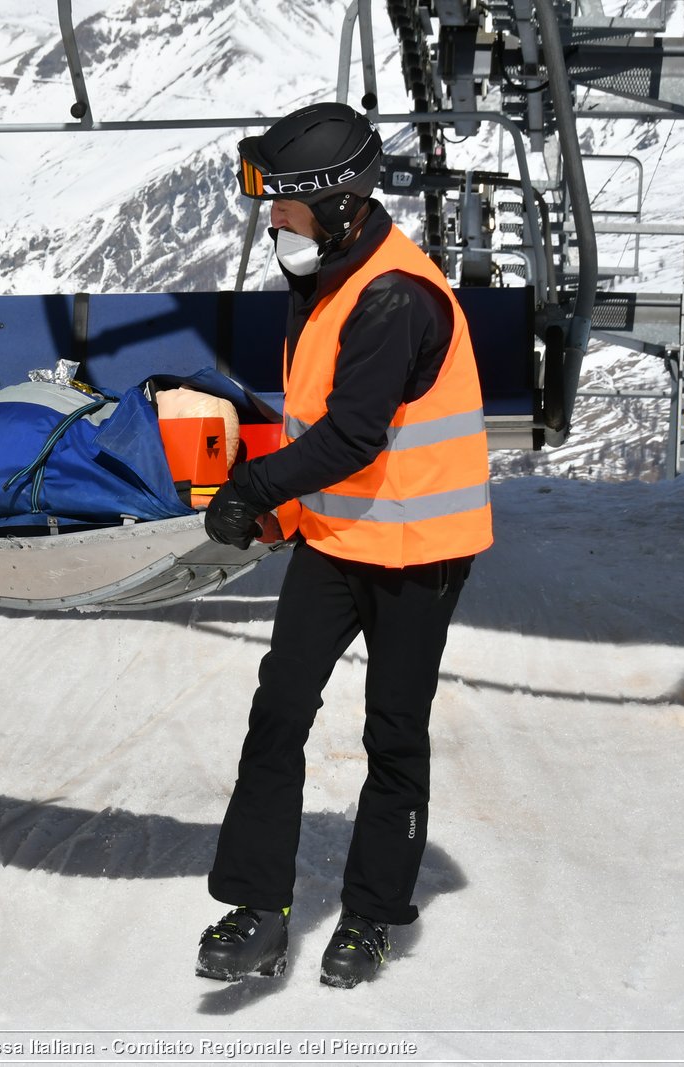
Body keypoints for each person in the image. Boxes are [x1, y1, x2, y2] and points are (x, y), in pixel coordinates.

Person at [195, 102, 492, 988]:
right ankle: (257, 907)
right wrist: (283, 510)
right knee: (279, 710)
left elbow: (354, 435)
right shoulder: (328, 272)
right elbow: (316, 422)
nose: (270, 216)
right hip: (339, 538)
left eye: (282, 202)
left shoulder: (396, 296)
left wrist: (253, 488)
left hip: (421, 554)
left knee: (392, 734)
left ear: (337, 202)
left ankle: (368, 915)